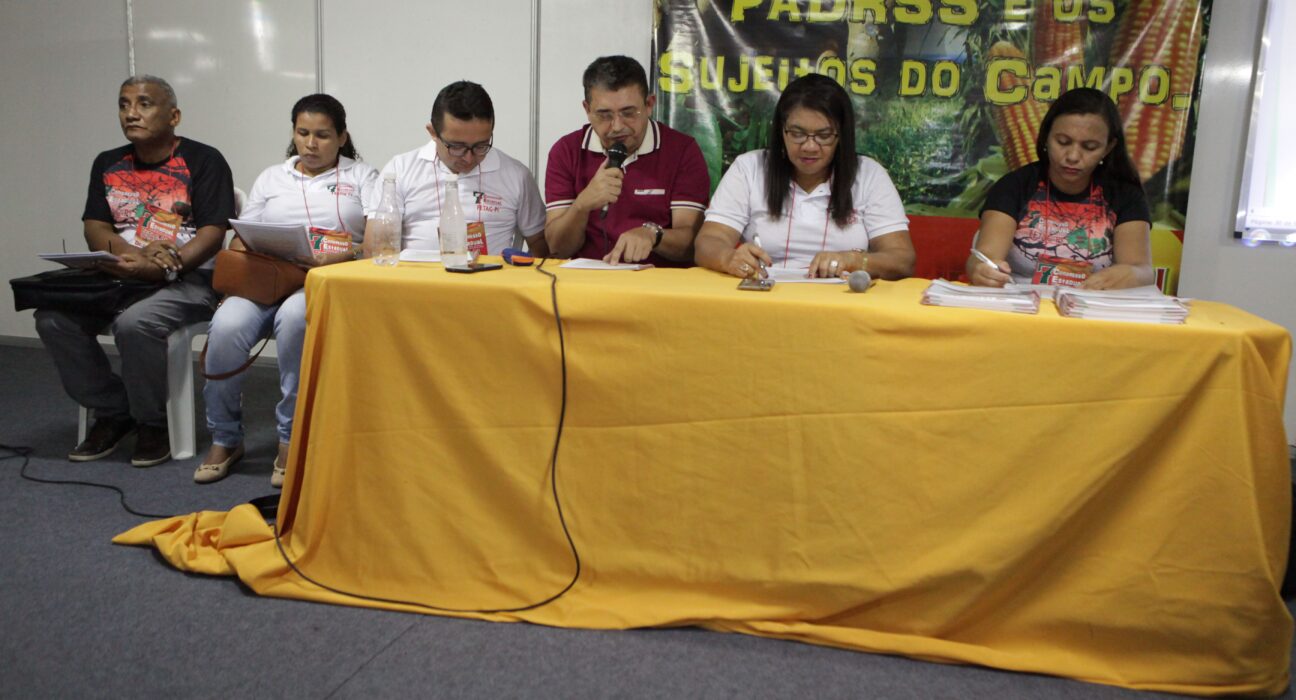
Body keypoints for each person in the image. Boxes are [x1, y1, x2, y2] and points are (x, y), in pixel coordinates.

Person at [35, 75, 234, 468]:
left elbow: (213, 233)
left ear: (174, 116)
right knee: (53, 319)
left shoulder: (204, 160)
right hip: (120, 273)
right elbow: (95, 227)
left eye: (144, 103)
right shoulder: (107, 163)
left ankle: (152, 422)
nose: (131, 113)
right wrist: (135, 257)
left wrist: (163, 267)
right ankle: (114, 410)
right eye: (124, 104)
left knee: (136, 324)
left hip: (188, 278)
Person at [196, 94, 377, 486]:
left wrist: (343, 253)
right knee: (226, 326)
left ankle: (290, 438)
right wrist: (243, 254)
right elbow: (242, 237)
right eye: (302, 133)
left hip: (323, 280)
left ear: (342, 137)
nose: (311, 144)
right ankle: (225, 437)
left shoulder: (363, 177)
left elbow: (376, 242)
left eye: (322, 135)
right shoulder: (271, 178)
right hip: (267, 276)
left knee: (295, 319)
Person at [695, 74, 914, 280]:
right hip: (764, 295)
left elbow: (902, 259)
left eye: (824, 135)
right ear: (781, 131)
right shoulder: (749, 168)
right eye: (797, 134)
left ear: (841, 135)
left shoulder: (868, 175)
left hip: (841, 299)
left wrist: (854, 261)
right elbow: (709, 242)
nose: (809, 146)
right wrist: (728, 258)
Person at [967, 87, 1152, 289]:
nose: (1073, 156)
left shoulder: (1125, 195)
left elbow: (1142, 270)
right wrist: (981, 270)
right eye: (1063, 142)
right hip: (1020, 301)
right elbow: (984, 256)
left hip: (1092, 303)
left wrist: (1132, 274)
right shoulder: (1014, 186)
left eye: (1089, 147)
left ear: (1108, 148)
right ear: (1046, 137)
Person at [545, 55, 710, 265]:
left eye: (628, 113)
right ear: (587, 109)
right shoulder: (566, 151)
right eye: (604, 115)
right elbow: (557, 248)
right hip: (586, 279)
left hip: (658, 279)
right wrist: (581, 205)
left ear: (649, 104)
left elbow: (690, 245)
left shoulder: (682, 151)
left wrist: (653, 235)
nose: (617, 126)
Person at [364, 81, 547, 258]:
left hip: (491, 277)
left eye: (481, 146)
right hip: (417, 277)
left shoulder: (516, 175)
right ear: (433, 132)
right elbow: (376, 250)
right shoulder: (400, 170)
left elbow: (541, 247)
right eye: (457, 147)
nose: (469, 158)